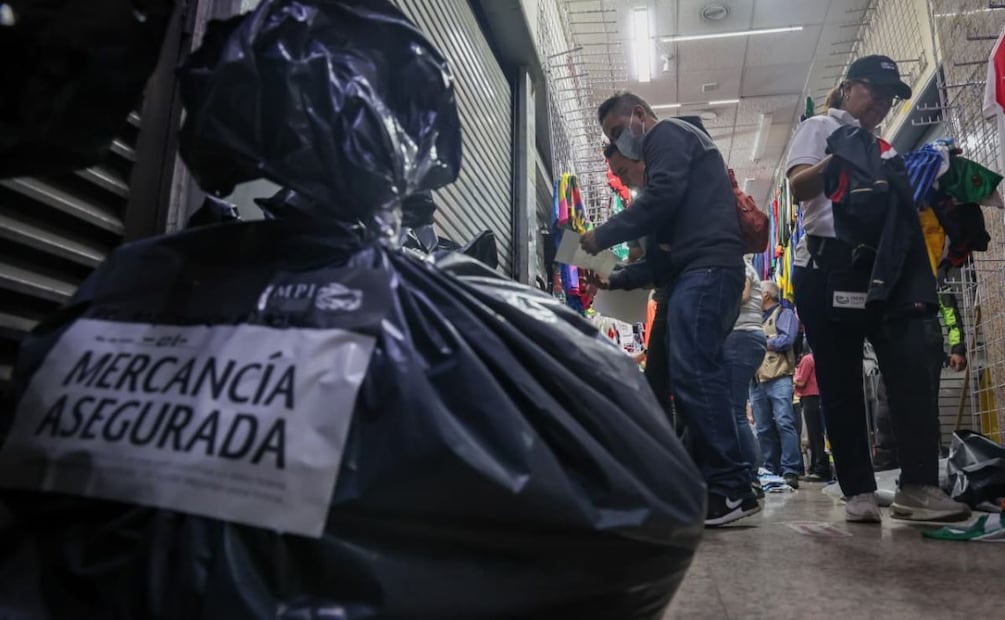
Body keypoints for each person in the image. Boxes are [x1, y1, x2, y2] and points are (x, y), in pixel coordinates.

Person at [786, 55, 970, 523]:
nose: (883, 102)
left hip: (881, 269)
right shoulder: (820, 127)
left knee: (910, 370)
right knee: (840, 380)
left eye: (891, 96)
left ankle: (919, 486)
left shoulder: (884, 147)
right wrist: (840, 157)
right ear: (849, 87)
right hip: (826, 267)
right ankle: (858, 491)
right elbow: (798, 188)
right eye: (876, 90)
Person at [580, 91, 755, 526]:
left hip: (708, 269)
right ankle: (705, 483)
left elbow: (662, 196)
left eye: (618, 131)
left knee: (694, 372)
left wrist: (602, 236)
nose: (619, 143)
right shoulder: (674, 168)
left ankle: (732, 486)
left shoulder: (667, 134)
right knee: (681, 375)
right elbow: (663, 262)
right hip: (696, 272)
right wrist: (615, 279)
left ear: (639, 114)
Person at [749, 281, 803, 489]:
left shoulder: (784, 314)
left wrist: (760, 342)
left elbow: (787, 339)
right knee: (763, 427)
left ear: (766, 295)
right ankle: (770, 469)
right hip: (756, 379)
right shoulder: (754, 318)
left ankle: (790, 469)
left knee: (784, 422)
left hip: (779, 376)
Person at [723, 258, 767, 496]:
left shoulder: (738, 264)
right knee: (734, 410)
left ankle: (750, 476)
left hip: (742, 338)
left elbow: (743, 295)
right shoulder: (737, 263)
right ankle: (748, 475)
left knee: (735, 411)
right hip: (743, 339)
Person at [794, 349, 831, 482]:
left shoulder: (807, 359)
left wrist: (792, 377)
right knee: (821, 434)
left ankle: (819, 468)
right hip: (821, 396)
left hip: (810, 398)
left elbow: (801, 381)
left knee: (814, 435)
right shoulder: (822, 357)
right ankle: (819, 467)